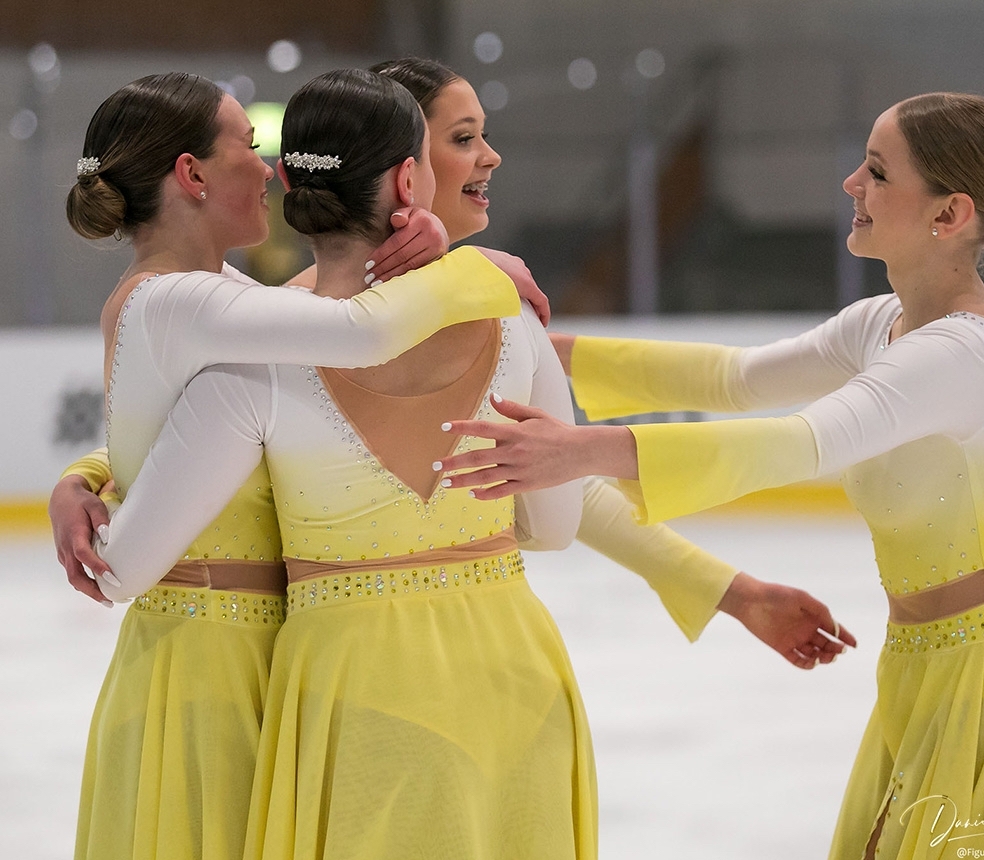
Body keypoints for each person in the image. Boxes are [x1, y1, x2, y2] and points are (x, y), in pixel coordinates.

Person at [434, 92, 984, 858]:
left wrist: (583, 448)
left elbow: (799, 442)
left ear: (948, 214)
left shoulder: (959, 355)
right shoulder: (881, 325)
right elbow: (735, 378)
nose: (852, 183)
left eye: (878, 172)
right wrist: (526, 346)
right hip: (925, 676)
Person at [55, 57, 854, 668]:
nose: (490, 158)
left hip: (326, 676)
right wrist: (478, 271)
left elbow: (551, 472)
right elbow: (553, 499)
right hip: (309, 671)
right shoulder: (307, 326)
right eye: (462, 139)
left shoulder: (314, 322)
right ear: (405, 167)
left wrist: (732, 592)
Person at [92, 67, 589, 859]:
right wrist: (479, 270)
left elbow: (134, 529)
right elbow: (558, 523)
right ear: (408, 180)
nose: (264, 167)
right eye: (248, 144)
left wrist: (88, 481)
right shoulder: (512, 325)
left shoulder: (251, 360)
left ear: (298, 185)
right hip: (513, 671)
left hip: (344, 684)